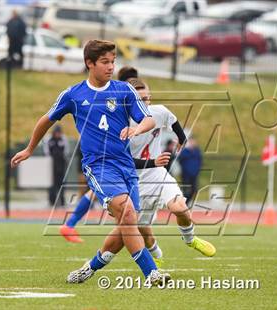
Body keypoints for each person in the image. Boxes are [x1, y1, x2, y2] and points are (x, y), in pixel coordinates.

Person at [11, 39, 170, 285]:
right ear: (89, 63)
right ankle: (152, 273)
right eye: (105, 62)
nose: (110, 67)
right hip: (98, 166)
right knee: (127, 212)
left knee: (128, 224)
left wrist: (136, 130)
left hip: (126, 167)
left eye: (113, 62)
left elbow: (148, 119)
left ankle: (89, 268)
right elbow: (46, 119)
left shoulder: (124, 90)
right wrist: (30, 148)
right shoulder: (73, 95)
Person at [65, 78, 215, 284]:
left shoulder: (157, 112)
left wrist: (181, 140)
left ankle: (189, 240)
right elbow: (123, 161)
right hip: (131, 180)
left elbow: (172, 121)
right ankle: (90, 268)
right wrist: (153, 161)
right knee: (125, 234)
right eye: (141, 99)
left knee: (180, 208)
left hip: (157, 175)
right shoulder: (118, 124)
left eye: (148, 98)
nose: (147, 103)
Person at [59, 65, 140, 242]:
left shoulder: (124, 94)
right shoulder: (119, 95)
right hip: (105, 154)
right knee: (131, 219)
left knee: (96, 194)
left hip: (111, 154)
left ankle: (71, 224)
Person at [43, 125, 69, 207]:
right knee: (51, 183)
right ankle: (52, 201)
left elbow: (66, 151)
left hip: (61, 164)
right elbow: (46, 151)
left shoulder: (63, 139)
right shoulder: (49, 139)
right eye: (56, 133)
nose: (58, 134)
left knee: (61, 183)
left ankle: (62, 201)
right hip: (52, 164)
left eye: (59, 133)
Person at [178, 137, 202, 206]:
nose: (192, 143)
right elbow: (180, 160)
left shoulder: (197, 151)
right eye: (191, 142)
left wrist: (197, 169)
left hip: (194, 175)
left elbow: (200, 161)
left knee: (194, 190)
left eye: (193, 142)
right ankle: (183, 204)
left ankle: (186, 203)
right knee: (186, 190)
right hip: (186, 175)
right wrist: (185, 169)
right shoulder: (184, 151)